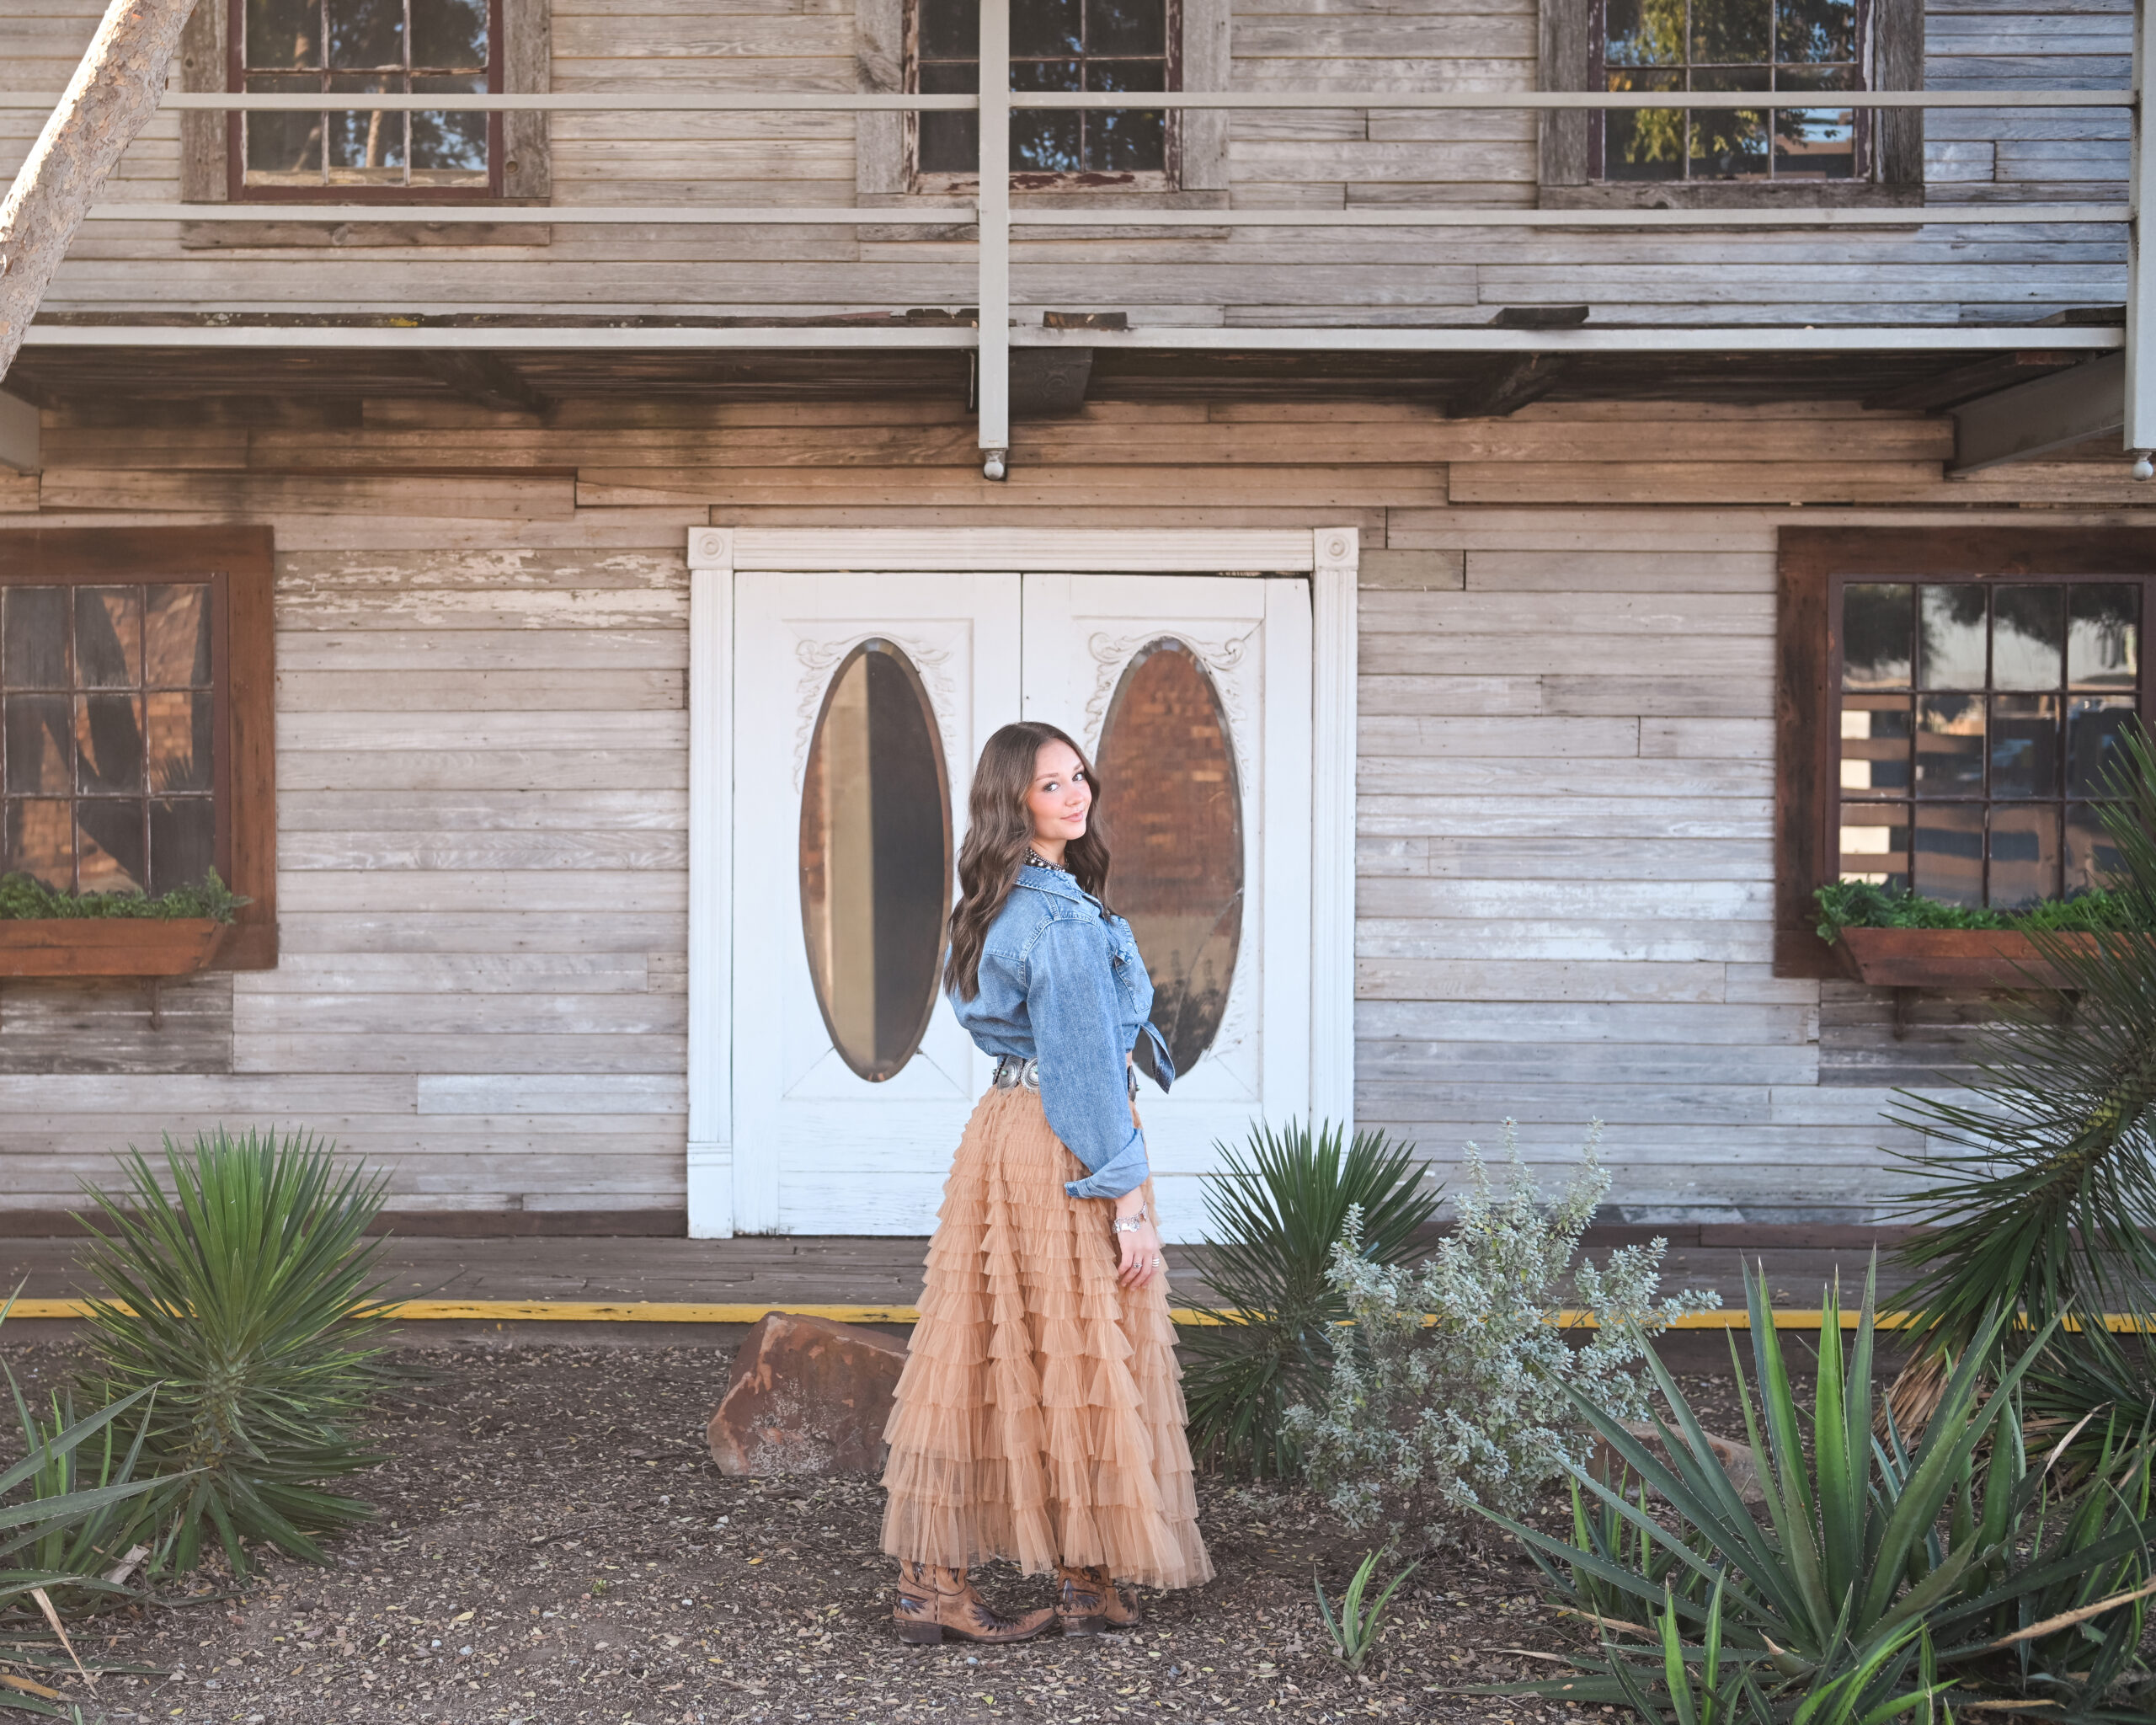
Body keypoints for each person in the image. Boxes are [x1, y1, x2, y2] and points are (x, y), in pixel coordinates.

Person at [878, 720, 1214, 1644]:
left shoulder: (995, 901)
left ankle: (962, 1582)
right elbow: (1086, 1074)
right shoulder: (1059, 918)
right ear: (1012, 801)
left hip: (1004, 1129)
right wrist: (1129, 1200)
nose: (1076, 795)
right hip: (1064, 1140)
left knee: (1001, 1343)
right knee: (1076, 1342)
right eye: (1050, 785)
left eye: (1078, 777)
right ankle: (1066, 1577)